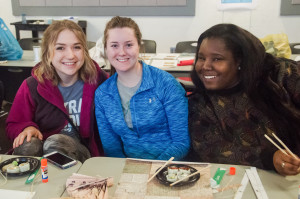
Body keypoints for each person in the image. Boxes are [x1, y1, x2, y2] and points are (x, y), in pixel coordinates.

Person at [188, 23, 300, 176]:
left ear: (240, 61)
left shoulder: (280, 74)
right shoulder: (200, 102)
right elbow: (210, 147)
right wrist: (269, 157)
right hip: (257, 178)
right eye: (201, 58)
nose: (205, 66)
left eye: (217, 59)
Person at [6, 20, 108, 163]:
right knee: (28, 144)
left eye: (77, 47)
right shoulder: (32, 85)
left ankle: (65, 183)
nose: (71, 55)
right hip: (43, 151)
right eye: (60, 48)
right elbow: (13, 124)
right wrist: (27, 128)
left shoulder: (98, 80)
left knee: (57, 142)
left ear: (84, 51)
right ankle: (28, 181)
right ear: (48, 53)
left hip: (82, 152)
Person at [94, 16, 190, 160]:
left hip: (168, 169)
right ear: (106, 49)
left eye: (128, 45)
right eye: (114, 45)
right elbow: (112, 149)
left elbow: (181, 143)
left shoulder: (166, 84)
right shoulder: (103, 94)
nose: (121, 52)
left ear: (139, 46)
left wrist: (151, 171)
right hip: (128, 169)